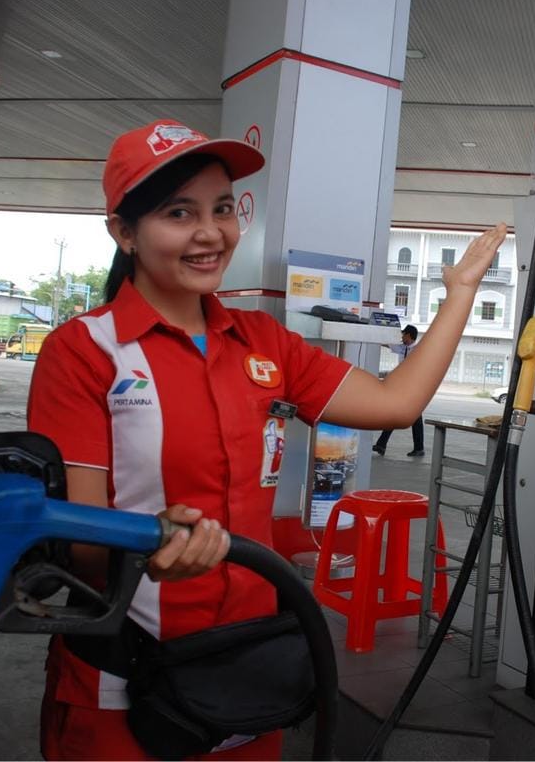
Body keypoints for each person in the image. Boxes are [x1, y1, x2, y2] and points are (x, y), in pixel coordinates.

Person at [26, 118, 506, 761]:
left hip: (250, 670)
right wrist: (148, 544)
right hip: (126, 679)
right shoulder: (84, 351)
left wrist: (461, 294)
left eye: (222, 209)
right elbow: (76, 538)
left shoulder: (264, 342)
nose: (210, 232)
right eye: (179, 213)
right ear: (124, 232)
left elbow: (396, 403)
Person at [371, 325, 425, 456]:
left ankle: (418, 448)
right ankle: (382, 445)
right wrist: (374, 336)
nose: (401, 337)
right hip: (403, 387)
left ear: (409, 335)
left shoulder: (418, 350)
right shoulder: (402, 348)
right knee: (397, 414)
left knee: (412, 417)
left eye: (403, 335)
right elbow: (388, 344)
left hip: (413, 388)